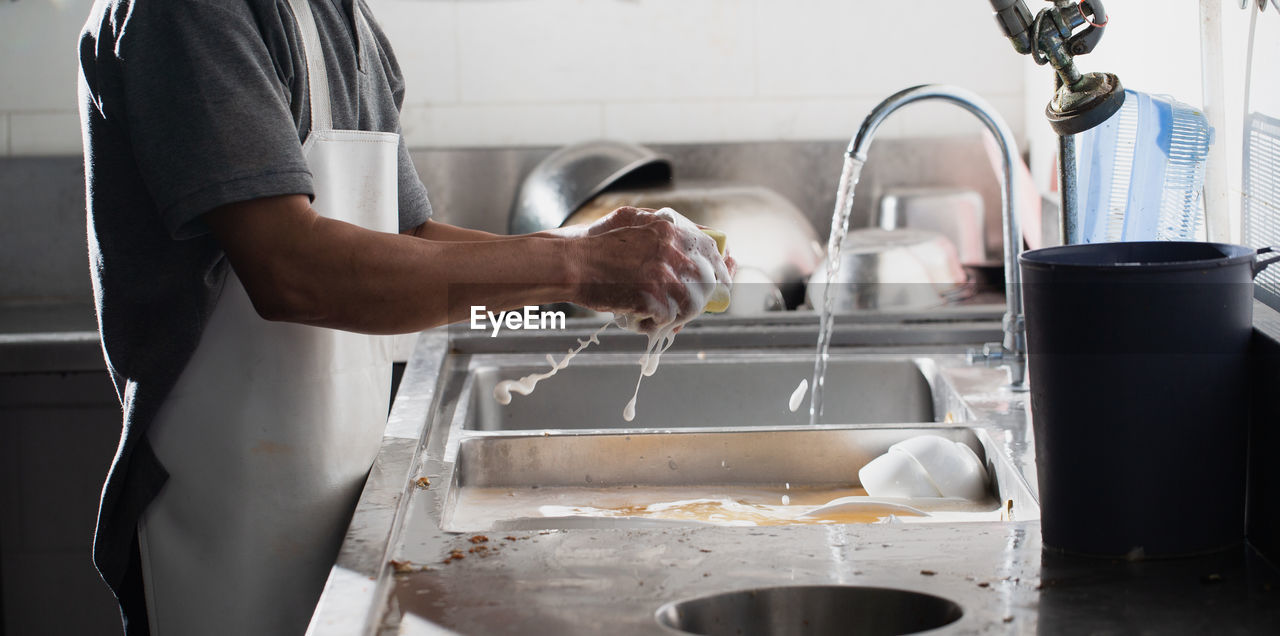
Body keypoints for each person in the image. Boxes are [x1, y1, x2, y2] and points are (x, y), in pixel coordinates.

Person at [77, 1, 729, 634]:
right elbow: (290, 270)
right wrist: (581, 266)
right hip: (220, 522)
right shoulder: (188, 13)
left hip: (344, 505)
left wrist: (586, 258)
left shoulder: (346, 20)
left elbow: (409, 236)